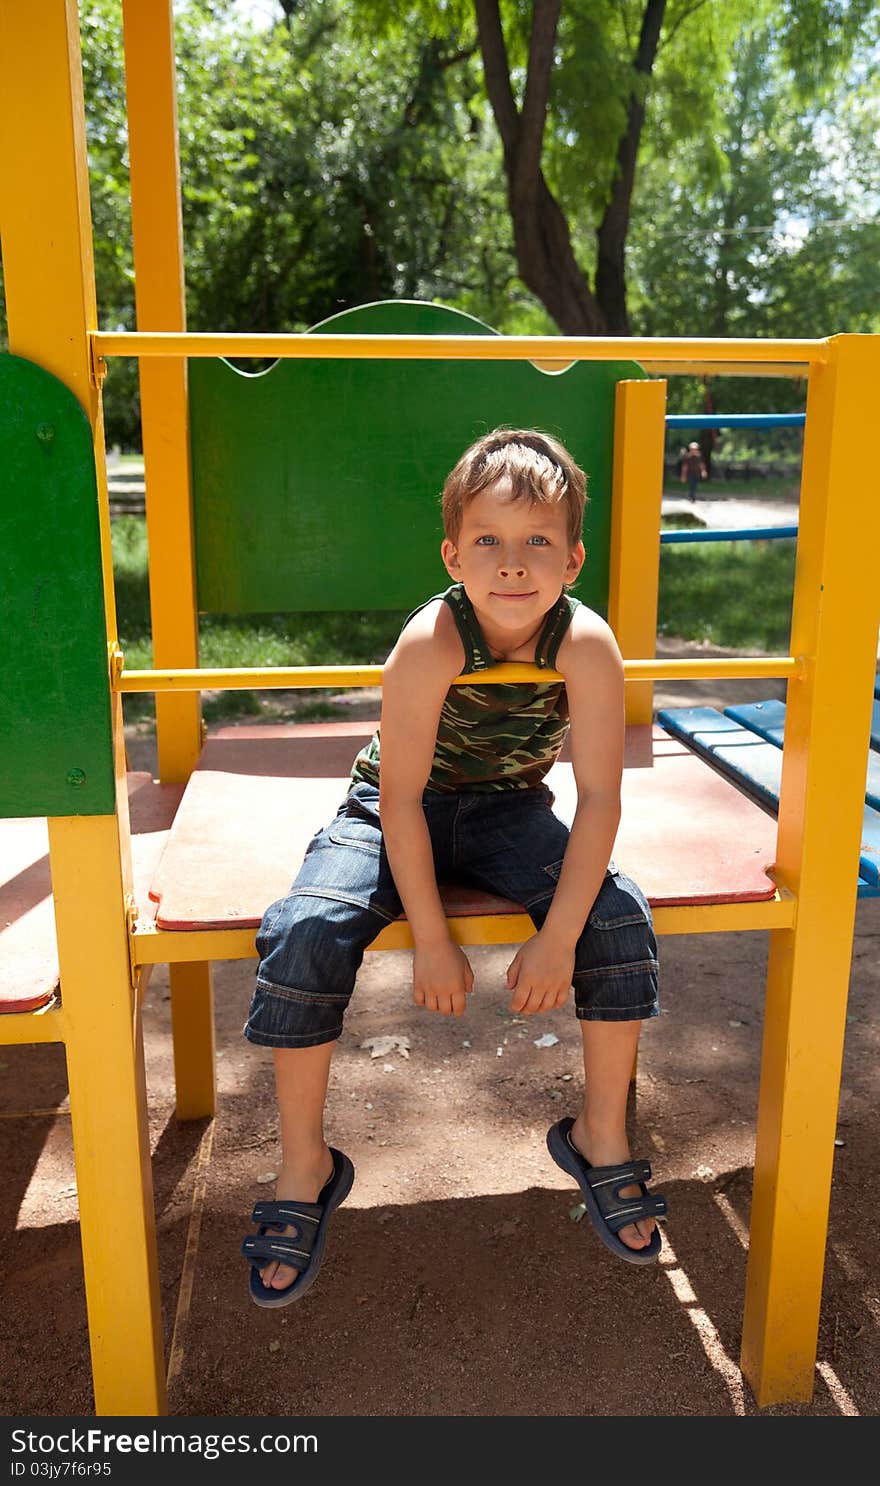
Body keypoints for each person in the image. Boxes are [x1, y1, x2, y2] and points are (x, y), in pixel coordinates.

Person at [240, 428, 666, 1307]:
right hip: (393, 811)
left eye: (538, 541)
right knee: (305, 929)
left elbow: (600, 802)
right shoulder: (431, 642)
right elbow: (397, 803)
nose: (513, 564)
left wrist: (557, 939)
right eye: (489, 541)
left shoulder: (585, 645)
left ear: (575, 558)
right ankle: (304, 1163)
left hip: (512, 809)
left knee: (616, 915)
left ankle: (601, 1133)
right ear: (452, 552)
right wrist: (432, 940)